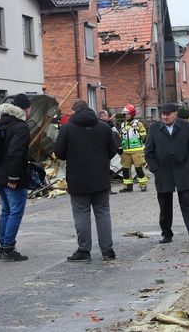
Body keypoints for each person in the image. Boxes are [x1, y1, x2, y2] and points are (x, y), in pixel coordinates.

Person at [55, 100, 119, 262]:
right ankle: (107, 250)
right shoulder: (104, 127)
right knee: (103, 212)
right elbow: (113, 150)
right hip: (100, 177)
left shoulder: (67, 128)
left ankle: (84, 250)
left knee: (82, 214)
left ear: (74, 111)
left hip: (78, 179)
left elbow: (60, 153)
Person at [145, 103, 189, 244]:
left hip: (182, 170)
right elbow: (148, 152)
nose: (165, 117)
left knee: (187, 200)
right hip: (163, 172)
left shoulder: (185, 126)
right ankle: (166, 233)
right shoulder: (154, 128)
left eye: (168, 114)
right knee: (164, 204)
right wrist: (155, 168)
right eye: (163, 114)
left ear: (175, 114)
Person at [0, 93, 32, 262]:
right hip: (11, 177)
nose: (31, 111)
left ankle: (3, 247)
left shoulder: (2, 122)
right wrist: (14, 178)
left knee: (6, 211)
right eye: (30, 107)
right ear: (25, 109)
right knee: (15, 211)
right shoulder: (21, 127)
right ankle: (8, 248)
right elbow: (15, 154)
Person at [119, 104, 148, 192]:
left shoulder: (138, 124)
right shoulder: (122, 124)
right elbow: (121, 136)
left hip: (137, 151)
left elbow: (143, 135)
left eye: (128, 114)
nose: (126, 116)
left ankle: (143, 185)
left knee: (139, 169)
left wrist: (138, 143)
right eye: (125, 114)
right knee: (125, 169)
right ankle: (127, 186)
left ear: (132, 114)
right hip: (126, 151)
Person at [98, 109, 120, 195]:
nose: (108, 117)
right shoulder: (106, 126)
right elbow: (115, 135)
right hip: (105, 152)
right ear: (102, 116)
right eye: (106, 115)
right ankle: (107, 189)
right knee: (105, 172)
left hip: (99, 152)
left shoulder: (96, 125)